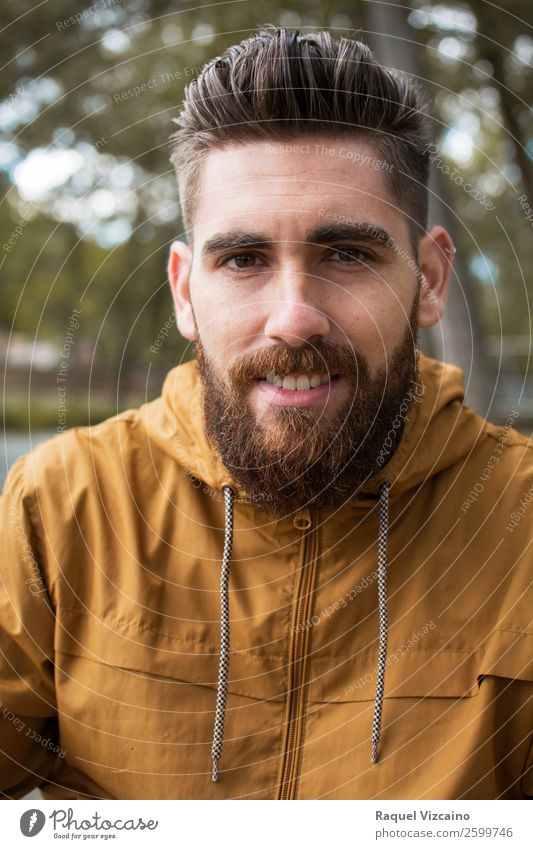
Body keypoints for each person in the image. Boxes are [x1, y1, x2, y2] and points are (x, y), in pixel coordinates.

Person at [1, 27, 531, 801]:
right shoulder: (61, 505)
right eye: (243, 259)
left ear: (427, 279)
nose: (294, 319)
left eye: (347, 254)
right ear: (185, 290)